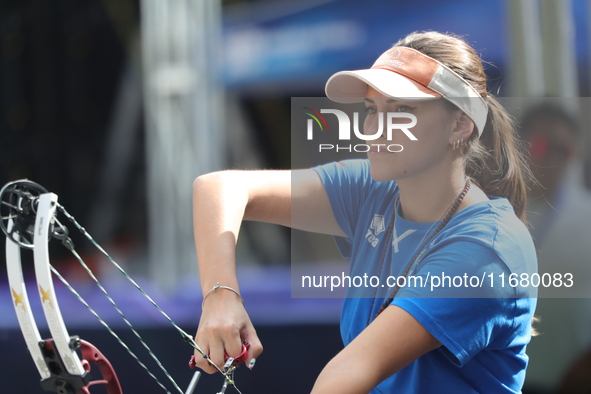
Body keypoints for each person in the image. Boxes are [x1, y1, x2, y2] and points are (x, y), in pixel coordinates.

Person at [191, 31, 538, 393]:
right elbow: (218, 188)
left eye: (403, 110)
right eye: (372, 110)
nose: (375, 129)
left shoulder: (486, 249)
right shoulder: (375, 189)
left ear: (460, 124)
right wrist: (220, 296)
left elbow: (349, 373)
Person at [519, 103, 591, 394]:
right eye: (540, 145)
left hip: (571, 378)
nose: (549, 156)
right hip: (506, 377)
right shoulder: (494, 213)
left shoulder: (587, 216)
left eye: (562, 148)